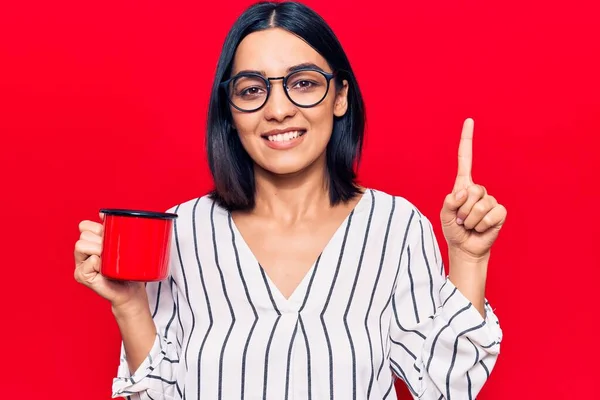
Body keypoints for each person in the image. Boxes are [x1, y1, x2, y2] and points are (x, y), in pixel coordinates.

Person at [74, 1, 506, 399]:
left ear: (339, 97)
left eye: (302, 83)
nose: (278, 110)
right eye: (251, 90)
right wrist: (130, 305)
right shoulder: (180, 231)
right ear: (230, 111)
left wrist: (468, 259)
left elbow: (448, 382)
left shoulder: (395, 226)